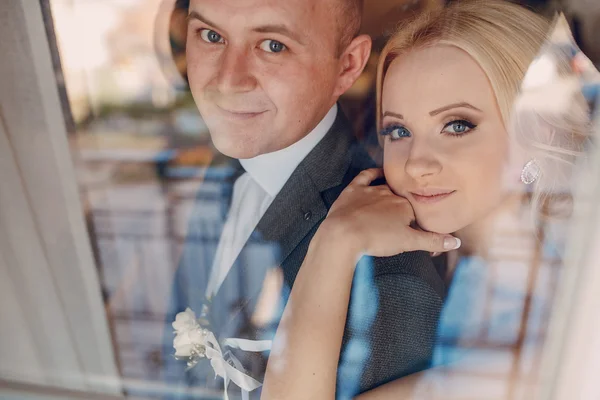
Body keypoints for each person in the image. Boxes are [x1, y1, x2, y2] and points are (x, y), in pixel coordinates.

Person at [262, 1, 595, 399]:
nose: (417, 164)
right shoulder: (435, 265)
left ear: (541, 131)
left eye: (457, 125)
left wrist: (333, 246)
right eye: (398, 131)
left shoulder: (552, 323)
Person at [162, 0, 458, 398]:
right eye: (212, 36)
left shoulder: (391, 278)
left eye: (272, 45)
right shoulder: (235, 152)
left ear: (349, 65)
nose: (227, 81)